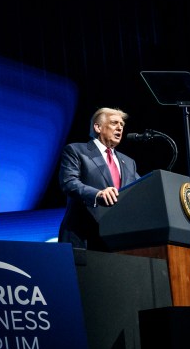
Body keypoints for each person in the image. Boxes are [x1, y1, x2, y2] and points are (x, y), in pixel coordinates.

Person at [57, 107, 140, 250]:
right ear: (98, 127)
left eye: (122, 125)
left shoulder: (129, 162)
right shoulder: (76, 151)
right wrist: (97, 194)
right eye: (114, 123)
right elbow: (69, 182)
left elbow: (141, 189)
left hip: (117, 238)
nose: (120, 127)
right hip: (82, 235)